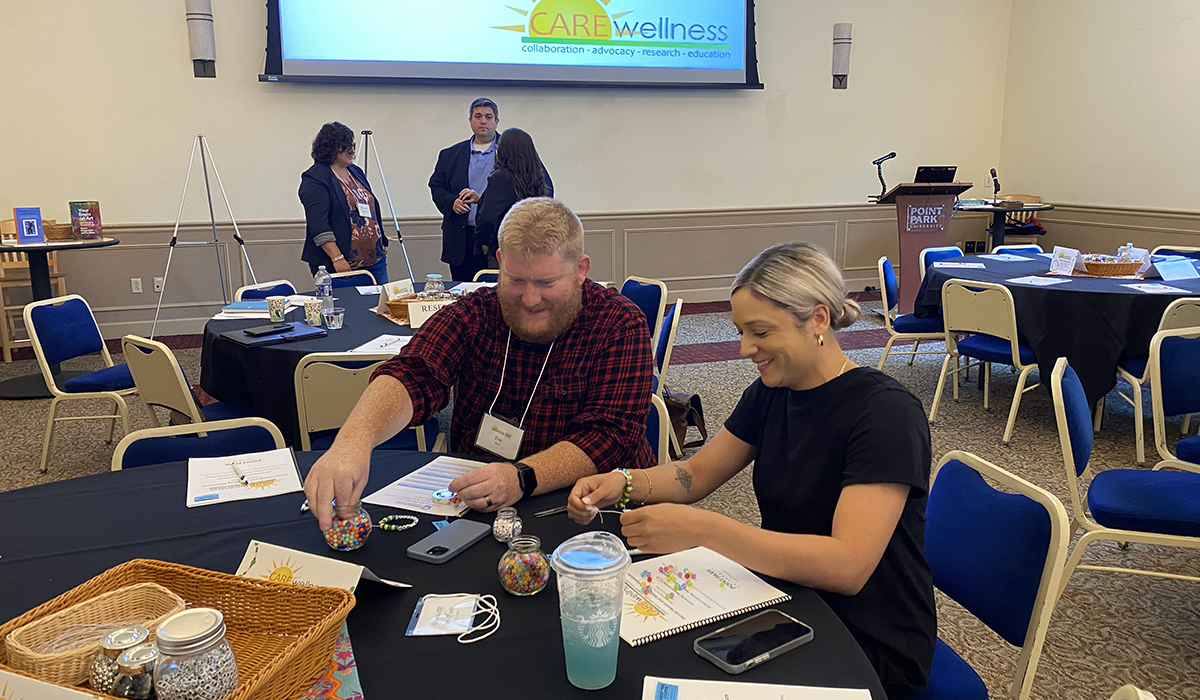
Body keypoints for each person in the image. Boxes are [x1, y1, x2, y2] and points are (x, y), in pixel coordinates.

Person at [566, 243, 936, 700]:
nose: (744, 349)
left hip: (868, 636)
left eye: (759, 331)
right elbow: (696, 475)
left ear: (818, 319)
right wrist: (624, 481)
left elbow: (848, 566)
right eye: (740, 331)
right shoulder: (774, 391)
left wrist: (704, 530)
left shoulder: (885, 415)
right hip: (790, 596)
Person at [303, 197, 655, 531]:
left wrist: (521, 477)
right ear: (500, 262)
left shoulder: (619, 324)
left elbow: (609, 436)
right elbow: (413, 373)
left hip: (590, 511)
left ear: (580, 270)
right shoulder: (475, 311)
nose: (530, 299)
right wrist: (352, 443)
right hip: (482, 502)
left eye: (546, 283)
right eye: (516, 280)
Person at [429, 99, 553, 281]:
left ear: (497, 122)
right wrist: (451, 202)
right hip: (461, 238)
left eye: (488, 117)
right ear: (470, 120)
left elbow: (542, 188)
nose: (483, 121)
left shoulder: (513, 151)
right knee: (462, 291)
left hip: (498, 239)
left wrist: (482, 200)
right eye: (478, 116)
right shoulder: (450, 154)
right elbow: (436, 186)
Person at [299, 122, 389, 283]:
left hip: (375, 262)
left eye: (352, 146)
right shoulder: (315, 178)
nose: (352, 151)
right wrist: (337, 258)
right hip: (340, 264)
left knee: (379, 308)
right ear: (331, 147)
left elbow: (370, 209)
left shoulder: (356, 172)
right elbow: (318, 225)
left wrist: (380, 242)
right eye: (347, 146)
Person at [464, 127, 549, 265]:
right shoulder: (536, 177)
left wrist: (484, 243)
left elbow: (488, 216)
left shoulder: (500, 177)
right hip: (531, 245)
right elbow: (516, 205)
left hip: (505, 246)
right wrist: (482, 199)